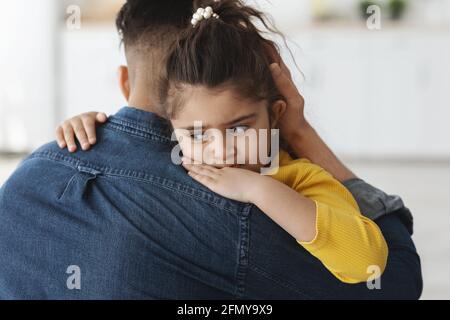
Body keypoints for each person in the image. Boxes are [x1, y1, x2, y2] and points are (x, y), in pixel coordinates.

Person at [0, 0, 421, 299]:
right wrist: (301, 132)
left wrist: (264, 183)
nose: (221, 153)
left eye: (238, 127)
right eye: (198, 133)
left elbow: (364, 257)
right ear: (175, 102)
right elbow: (396, 282)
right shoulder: (231, 212)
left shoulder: (28, 175)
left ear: (126, 82)